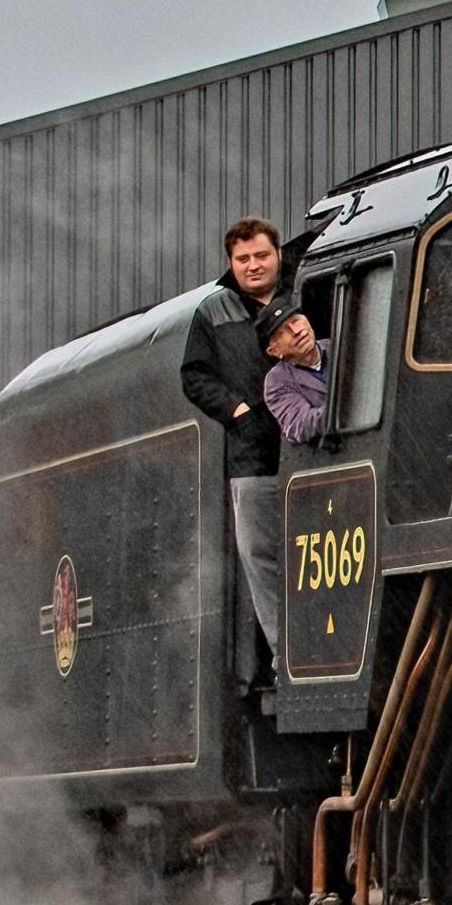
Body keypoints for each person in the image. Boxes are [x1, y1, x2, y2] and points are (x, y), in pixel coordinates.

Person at [182, 218, 288, 659]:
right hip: (250, 455)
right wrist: (237, 411)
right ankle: (284, 653)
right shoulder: (212, 312)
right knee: (262, 559)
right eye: (243, 259)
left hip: (309, 445)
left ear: (277, 255)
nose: (253, 265)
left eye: (261, 255)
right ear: (231, 263)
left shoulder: (303, 296)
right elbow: (194, 376)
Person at [262, 311, 329, 450]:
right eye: (283, 332)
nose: (296, 331)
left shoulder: (342, 345)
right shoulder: (277, 381)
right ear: (273, 351)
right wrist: (346, 410)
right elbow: (300, 425)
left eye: (296, 320)